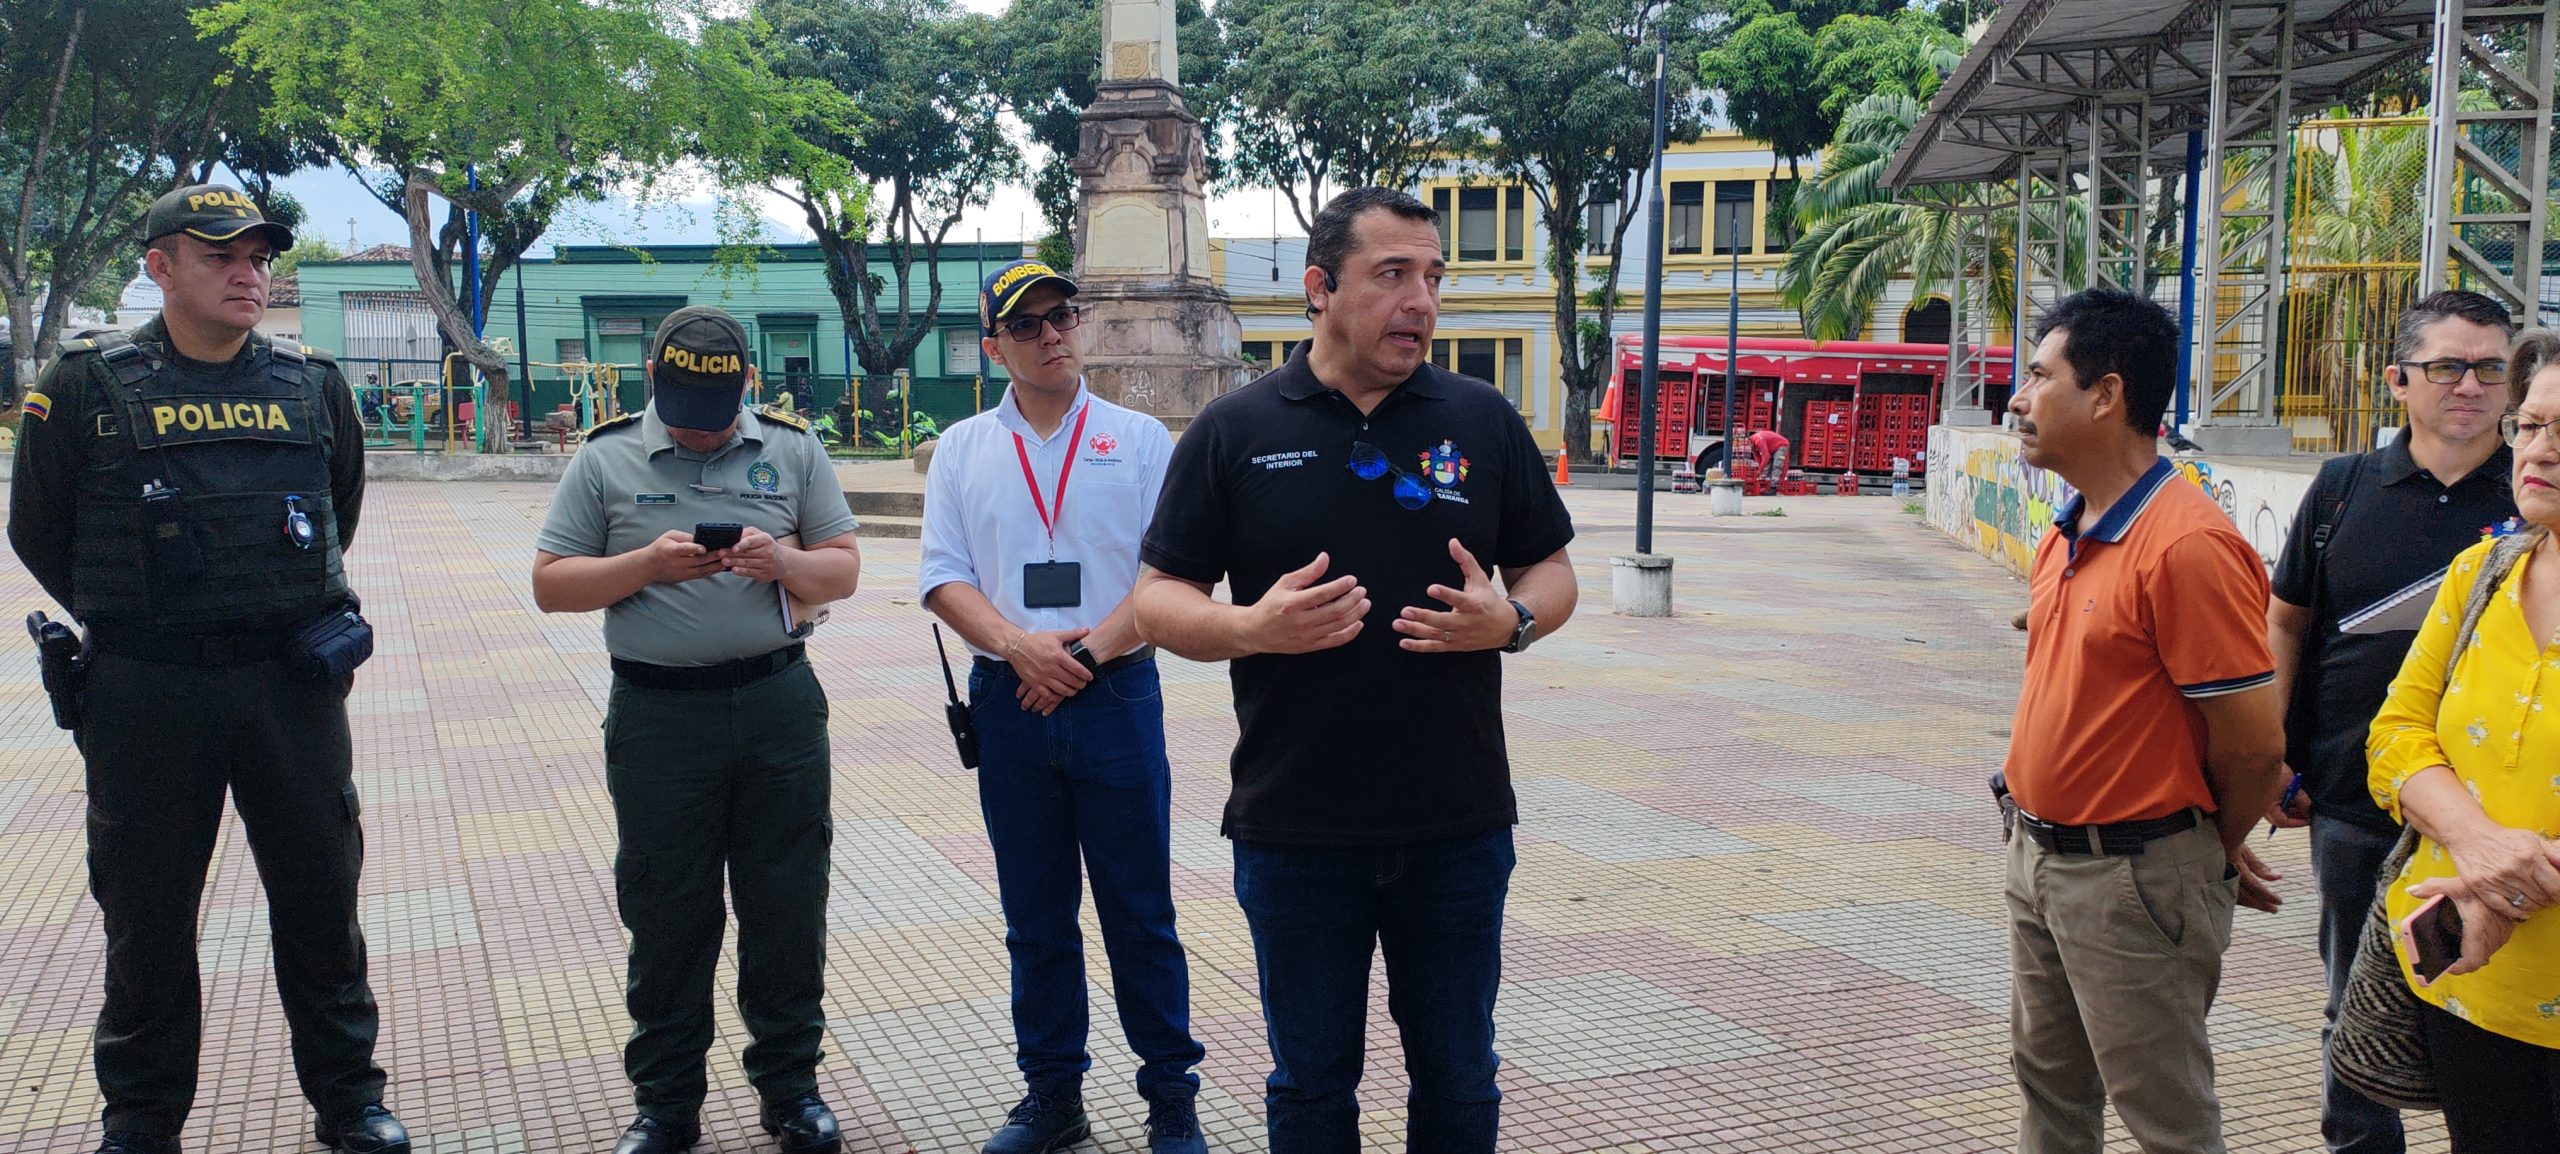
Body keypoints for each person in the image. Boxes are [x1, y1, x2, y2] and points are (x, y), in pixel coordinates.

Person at [1131, 187, 1579, 1153]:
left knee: (1460, 1081)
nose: (1421, 300)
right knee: (1309, 1087)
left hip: (1455, 825)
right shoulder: (1236, 429)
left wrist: (1516, 620)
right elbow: (1159, 597)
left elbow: (1550, 566)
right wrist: (1252, 627)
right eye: (1392, 275)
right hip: (1296, 829)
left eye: (1432, 278)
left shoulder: (1482, 418)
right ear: (1320, 288)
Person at [6, 184, 408, 1154]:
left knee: (321, 902)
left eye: (260, 254)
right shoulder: (83, 384)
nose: (249, 271)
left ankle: (350, 1101)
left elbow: (334, 515)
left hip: (290, 686)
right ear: (159, 268)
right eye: (221, 253)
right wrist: (143, 616)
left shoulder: (314, 384)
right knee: (146, 920)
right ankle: (141, 1119)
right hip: (148, 692)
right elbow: (35, 527)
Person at [530, 307, 862, 1154]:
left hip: (777, 707)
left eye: (715, 412)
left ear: (745, 386)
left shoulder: (791, 449)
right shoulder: (606, 458)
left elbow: (845, 569)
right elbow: (552, 585)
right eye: (681, 408)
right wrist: (646, 564)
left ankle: (790, 1090)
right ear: (652, 381)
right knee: (668, 909)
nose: (700, 430)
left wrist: (781, 560)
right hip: (658, 718)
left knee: (786, 903)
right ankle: (667, 1103)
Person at [917, 260, 1207, 1154]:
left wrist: (1083, 652)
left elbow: (1173, 576)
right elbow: (941, 578)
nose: (1052, 334)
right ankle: (1054, 1098)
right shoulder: (963, 449)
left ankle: (1171, 1098)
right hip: (1010, 699)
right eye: (1030, 323)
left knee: (1140, 911)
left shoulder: (1141, 439)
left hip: (1115, 691)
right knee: (1035, 917)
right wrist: (1017, 647)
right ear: (995, 343)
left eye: (1062, 316)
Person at [1998, 287, 2289, 1154]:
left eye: (2039, 374)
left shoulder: (2187, 546)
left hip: (2130, 880)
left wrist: (2200, 848)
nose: (2017, 396)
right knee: (2049, 1094)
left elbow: (2254, 744)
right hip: (2039, 858)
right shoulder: (2067, 530)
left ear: (2106, 395)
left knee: (2164, 1118)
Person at [2266, 290, 2517, 1154]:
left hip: (2502, 822)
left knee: (2490, 1020)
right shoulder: (2343, 489)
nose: (2471, 386)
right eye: (2447, 366)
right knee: (2355, 1002)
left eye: (2491, 368)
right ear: (2397, 380)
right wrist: (2275, 755)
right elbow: (2288, 618)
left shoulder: (2534, 505)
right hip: (2351, 801)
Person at [2365, 327, 2560, 1152]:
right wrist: (2477, 846)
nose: (2537, 451)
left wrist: (2505, 888)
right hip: (2470, 991)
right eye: (2531, 425)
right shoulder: (2482, 573)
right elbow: (2395, 735)